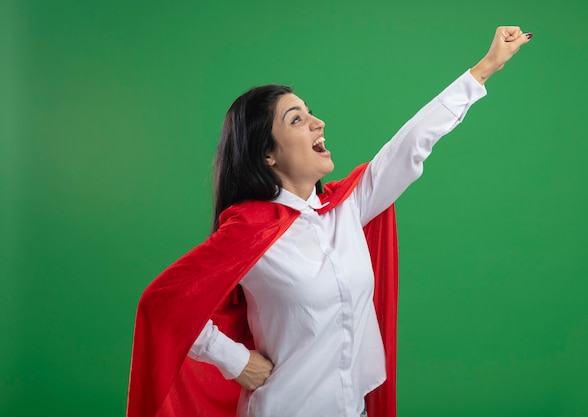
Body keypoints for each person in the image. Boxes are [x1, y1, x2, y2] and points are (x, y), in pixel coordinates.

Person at [127, 26, 532, 417]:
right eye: (296, 120)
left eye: (311, 113)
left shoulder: (347, 207)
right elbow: (162, 306)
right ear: (267, 154)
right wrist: (234, 360)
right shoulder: (249, 231)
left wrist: (485, 68)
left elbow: (411, 144)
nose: (318, 123)